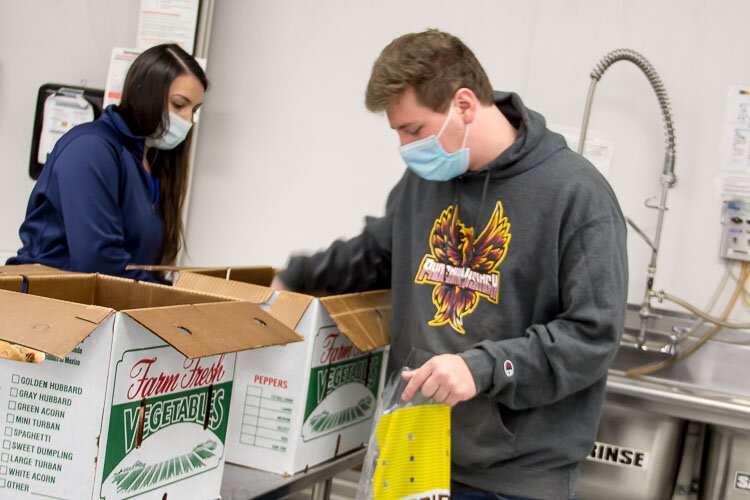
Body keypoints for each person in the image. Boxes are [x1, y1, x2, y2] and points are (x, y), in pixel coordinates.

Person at [272, 29, 627, 500]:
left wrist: (484, 367)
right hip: (414, 449)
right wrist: (290, 279)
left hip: (512, 479)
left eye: (413, 130)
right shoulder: (425, 180)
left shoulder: (576, 195)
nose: (403, 146)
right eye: (397, 131)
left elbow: (592, 335)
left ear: (463, 104)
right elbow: (375, 252)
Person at [7, 43, 207, 283]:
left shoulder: (149, 162)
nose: (188, 121)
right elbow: (98, 262)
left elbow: (136, 264)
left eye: (194, 110)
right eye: (178, 105)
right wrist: (171, 298)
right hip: (51, 304)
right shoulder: (90, 148)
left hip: (103, 306)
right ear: (145, 93)